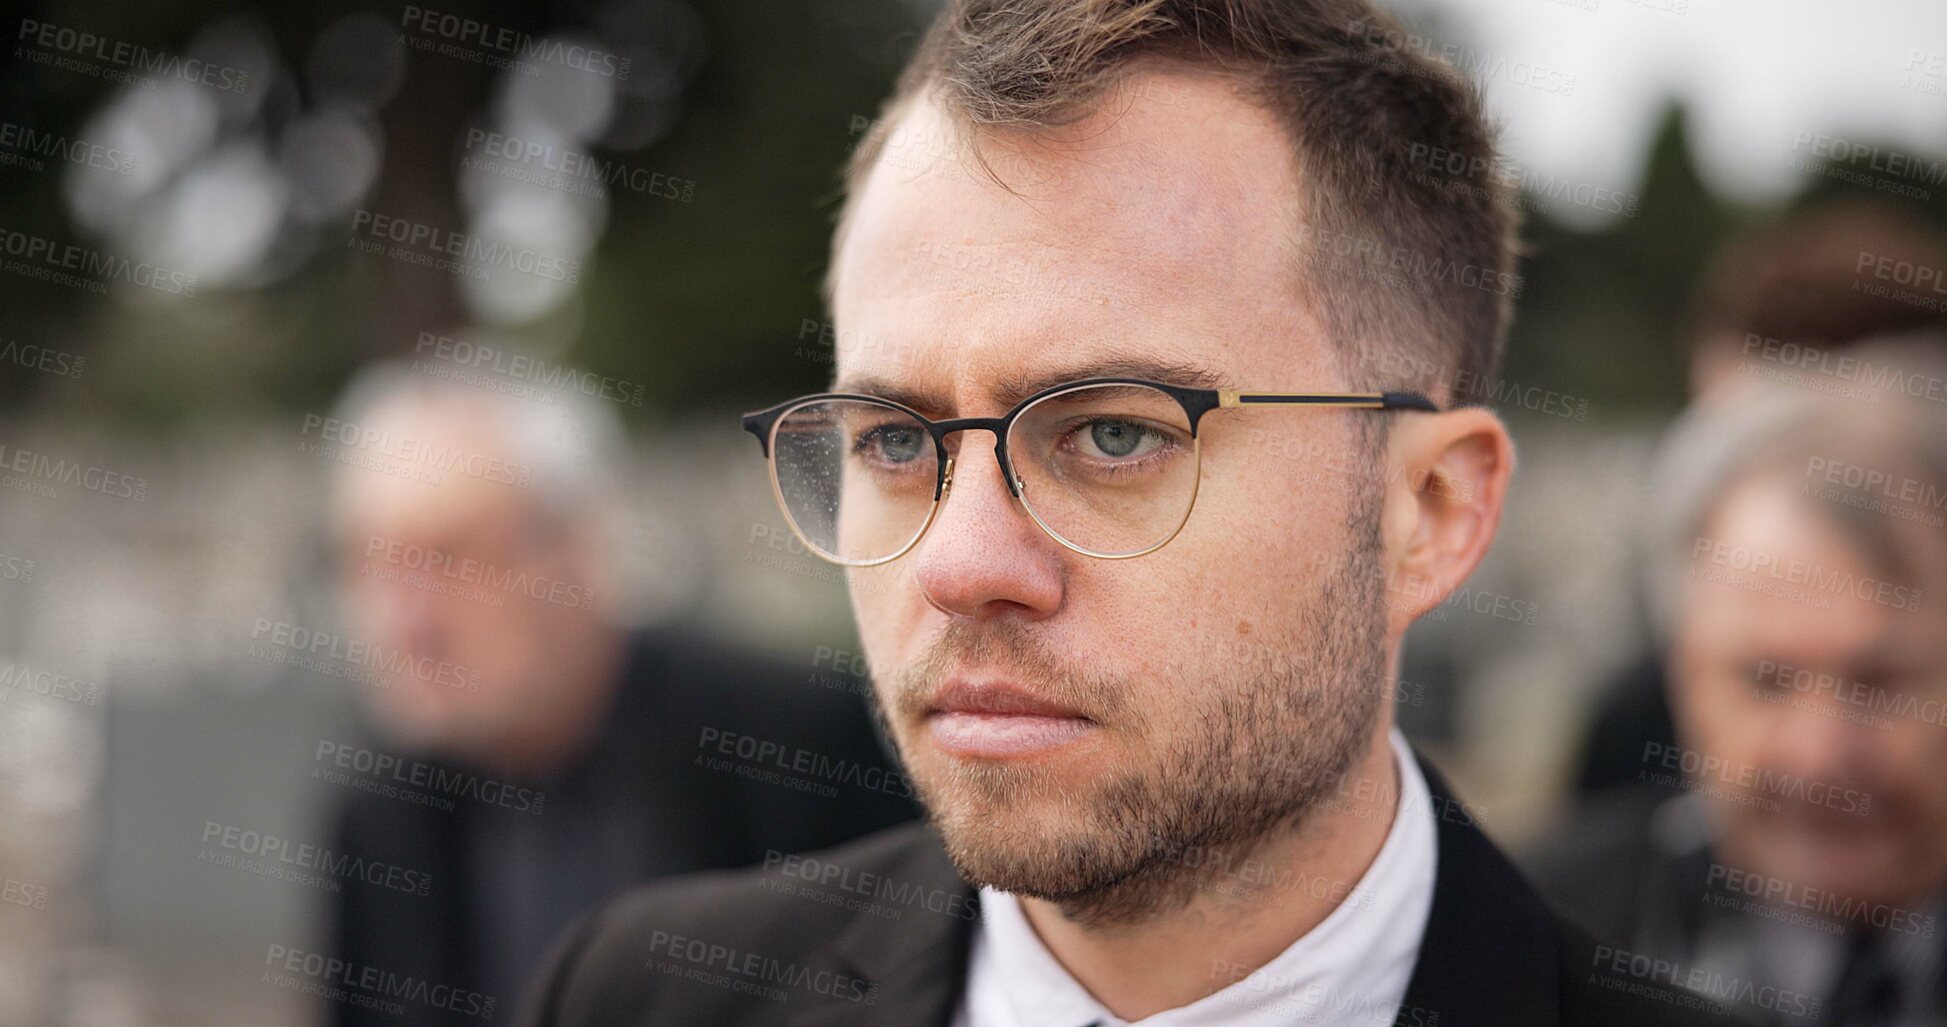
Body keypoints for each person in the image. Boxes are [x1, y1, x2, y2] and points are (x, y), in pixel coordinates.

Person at [516, 2, 1741, 1025]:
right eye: (896, 439)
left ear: (1427, 508)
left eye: (1114, 434)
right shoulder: (636, 996)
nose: (960, 563)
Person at [320, 363, 916, 1027]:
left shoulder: (791, 743)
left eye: (451, 556)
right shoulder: (378, 809)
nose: (407, 620)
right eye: (369, 562)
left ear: (575, 551)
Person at [1529, 340, 1947, 1024]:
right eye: (1764, 681)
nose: (1817, 754)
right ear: (1680, 673)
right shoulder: (1523, 943)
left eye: (1879, 682)